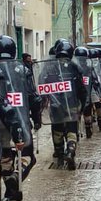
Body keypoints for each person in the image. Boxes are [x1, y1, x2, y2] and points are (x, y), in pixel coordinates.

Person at [0, 35, 42, 201]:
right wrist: (37, 119)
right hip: (19, 124)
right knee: (28, 157)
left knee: (3, 160)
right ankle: (14, 178)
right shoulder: (23, 69)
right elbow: (33, 98)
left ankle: (10, 190)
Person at [38, 39, 87, 169]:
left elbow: (41, 83)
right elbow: (82, 89)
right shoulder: (75, 67)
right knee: (72, 130)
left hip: (55, 106)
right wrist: (83, 104)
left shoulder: (49, 66)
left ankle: (59, 155)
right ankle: (70, 151)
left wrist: (44, 101)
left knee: (57, 130)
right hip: (72, 105)